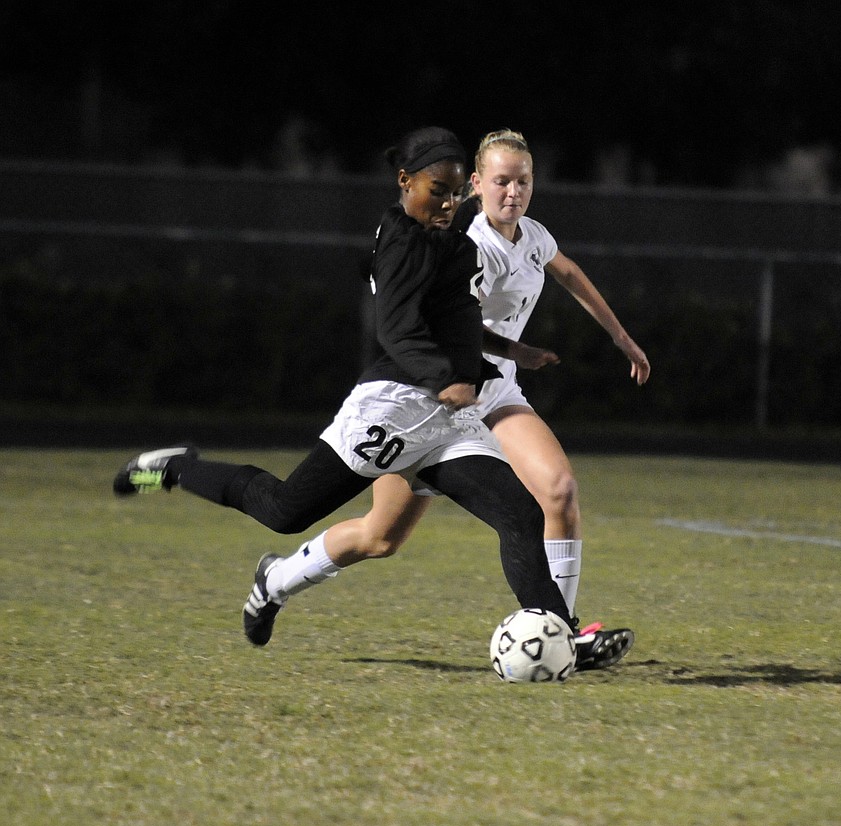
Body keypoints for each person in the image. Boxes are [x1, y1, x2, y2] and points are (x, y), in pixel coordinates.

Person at [113, 126, 575, 653]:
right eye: (436, 190)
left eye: (453, 192)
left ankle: (559, 639)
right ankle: (172, 468)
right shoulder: (403, 240)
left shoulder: (449, 239)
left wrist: (509, 355)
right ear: (405, 182)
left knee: (520, 514)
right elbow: (397, 330)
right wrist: (446, 378)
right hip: (393, 407)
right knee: (285, 510)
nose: (448, 202)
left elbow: (456, 320)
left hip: (445, 422)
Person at [282, 129, 652, 670]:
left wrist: (619, 336)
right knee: (379, 537)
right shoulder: (465, 245)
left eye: (523, 182)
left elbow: (566, 270)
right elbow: (441, 326)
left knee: (559, 490)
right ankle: (277, 578)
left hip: (494, 391)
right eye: (501, 181)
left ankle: (559, 636)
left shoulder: (531, 236)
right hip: (439, 400)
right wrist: (500, 355)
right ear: (476, 184)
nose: (513, 193)